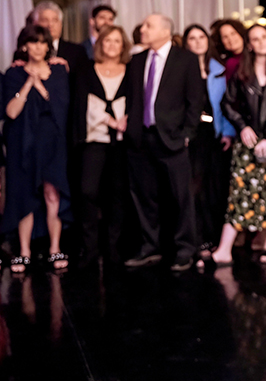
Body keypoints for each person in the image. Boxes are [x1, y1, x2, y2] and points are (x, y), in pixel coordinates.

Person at [201, 24, 266, 267]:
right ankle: (224, 250)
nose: (261, 41)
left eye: (264, 37)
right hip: (248, 140)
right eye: (255, 38)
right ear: (250, 44)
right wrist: (243, 126)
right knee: (240, 193)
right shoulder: (242, 70)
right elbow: (227, 103)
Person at [124, 14, 204, 272]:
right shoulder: (137, 60)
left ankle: (185, 249)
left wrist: (187, 133)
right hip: (141, 138)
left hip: (173, 138)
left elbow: (195, 100)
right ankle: (150, 247)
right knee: (144, 197)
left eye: (149, 25)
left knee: (181, 197)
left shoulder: (186, 59)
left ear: (165, 31)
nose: (143, 29)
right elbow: (132, 98)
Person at [3, 25, 72, 272]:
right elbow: (11, 112)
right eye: (33, 42)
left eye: (43, 42)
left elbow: (60, 106)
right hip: (22, 141)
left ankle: (55, 248)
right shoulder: (13, 73)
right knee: (24, 193)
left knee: (53, 193)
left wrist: (39, 83)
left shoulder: (59, 71)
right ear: (24, 46)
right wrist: (28, 82)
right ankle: (24, 251)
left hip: (52, 140)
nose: (38, 47)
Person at [74, 26, 131, 269]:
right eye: (107, 40)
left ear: (123, 45)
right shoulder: (86, 69)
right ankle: (90, 248)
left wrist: (126, 120)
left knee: (117, 194)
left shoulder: (131, 70)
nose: (111, 45)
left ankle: (113, 247)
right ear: (100, 44)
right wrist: (110, 120)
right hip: (94, 139)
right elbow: (82, 103)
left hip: (122, 142)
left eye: (117, 41)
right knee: (87, 191)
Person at [182, 24, 236, 258]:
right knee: (194, 187)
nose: (197, 42)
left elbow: (227, 104)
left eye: (201, 37)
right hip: (191, 134)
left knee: (215, 188)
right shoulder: (181, 69)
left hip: (214, 134)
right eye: (192, 38)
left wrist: (227, 133)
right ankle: (198, 239)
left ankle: (213, 238)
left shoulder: (219, 69)